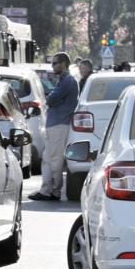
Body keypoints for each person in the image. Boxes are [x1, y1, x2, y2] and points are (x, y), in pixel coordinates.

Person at [29, 52, 79, 201]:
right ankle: (46, 189)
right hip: (55, 123)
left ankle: (54, 191)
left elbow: (51, 99)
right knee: (47, 158)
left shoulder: (68, 80)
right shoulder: (63, 80)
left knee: (54, 159)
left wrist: (51, 99)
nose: (53, 66)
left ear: (63, 63)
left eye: (55, 63)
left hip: (59, 124)